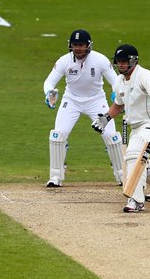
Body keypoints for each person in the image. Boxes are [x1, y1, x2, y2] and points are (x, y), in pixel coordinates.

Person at [91, 44, 150, 212]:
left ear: (134, 61)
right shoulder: (119, 81)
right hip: (136, 127)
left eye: (124, 61)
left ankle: (136, 201)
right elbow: (118, 105)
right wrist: (105, 119)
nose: (120, 65)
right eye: (118, 62)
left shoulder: (144, 75)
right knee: (138, 158)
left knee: (135, 156)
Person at [43, 29, 123, 188]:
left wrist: (116, 95)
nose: (78, 48)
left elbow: (115, 81)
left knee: (112, 137)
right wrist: (49, 93)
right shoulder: (64, 61)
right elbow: (49, 82)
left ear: (88, 45)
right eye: (75, 45)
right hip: (71, 100)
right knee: (58, 136)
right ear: (70, 46)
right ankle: (55, 176)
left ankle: (122, 175)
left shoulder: (100, 60)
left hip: (96, 100)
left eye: (81, 45)